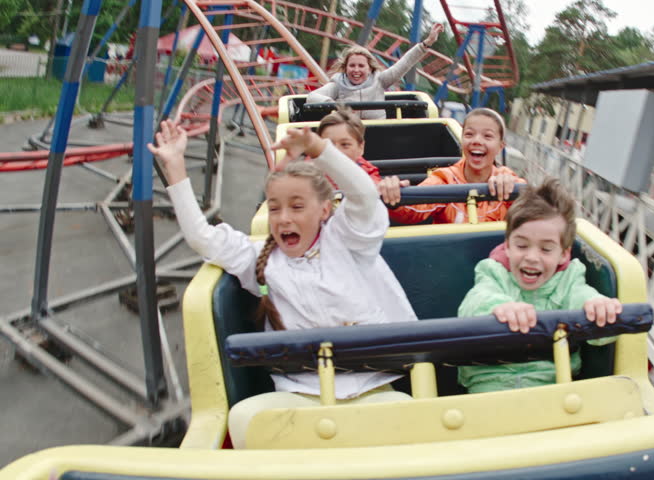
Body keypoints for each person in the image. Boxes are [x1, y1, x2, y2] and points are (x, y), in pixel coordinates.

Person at [147, 119, 416, 448]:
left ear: (325, 210)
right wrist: (175, 166)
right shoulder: (260, 259)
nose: (284, 218)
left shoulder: (348, 239)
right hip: (301, 393)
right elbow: (202, 238)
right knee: (245, 419)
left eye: (297, 207)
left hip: (369, 384)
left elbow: (363, 195)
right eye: (274, 209)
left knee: (405, 417)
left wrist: (320, 149)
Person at [455, 178, 623, 393]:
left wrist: (599, 308)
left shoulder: (570, 279)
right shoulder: (493, 272)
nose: (532, 257)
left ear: (563, 254)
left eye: (545, 249)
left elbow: (583, 298)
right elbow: (475, 302)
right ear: (507, 246)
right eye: (522, 245)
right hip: (491, 385)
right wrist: (500, 307)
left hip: (554, 387)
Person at [378, 108, 525, 224]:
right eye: (469, 134)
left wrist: (513, 191)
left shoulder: (506, 178)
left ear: (500, 146)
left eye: (487, 136)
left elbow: (533, 208)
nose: (477, 141)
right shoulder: (445, 178)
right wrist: (395, 196)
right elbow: (414, 210)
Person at [305, 23, 444, 119]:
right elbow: (312, 97)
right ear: (346, 68)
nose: (356, 70)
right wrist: (336, 105)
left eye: (361, 66)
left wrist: (427, 43)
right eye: (352, 66)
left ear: (369, 68)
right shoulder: (338, 84)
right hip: (349, 134)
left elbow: (404, 64)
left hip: (378, 133)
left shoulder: (380, 80)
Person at [316, 108, 381, 184]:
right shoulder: (308, 172)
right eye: (329, 144)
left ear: (361, 147)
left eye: (345, 144)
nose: (336, 151)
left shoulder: (368, 174)